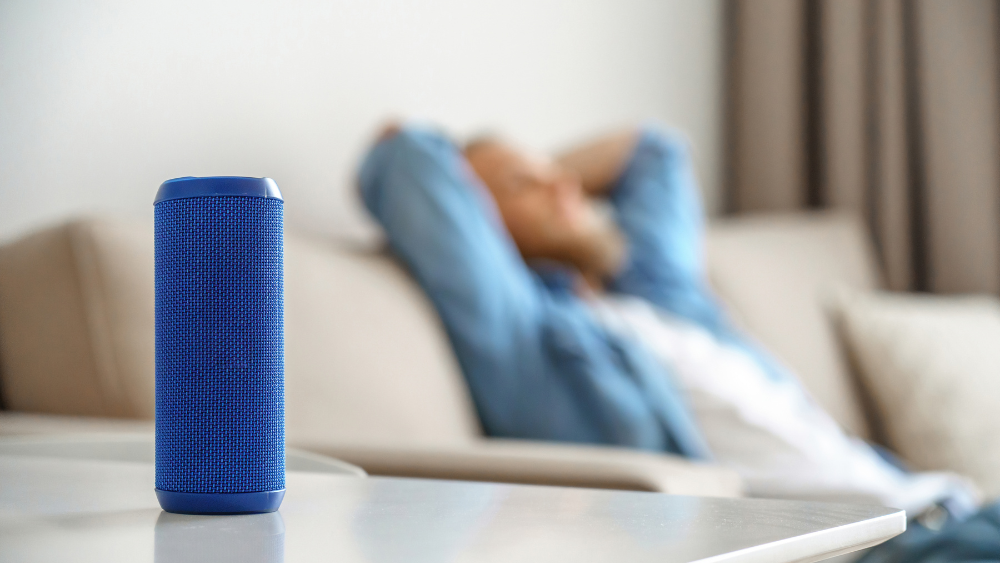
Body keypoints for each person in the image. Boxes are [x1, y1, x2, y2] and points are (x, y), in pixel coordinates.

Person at [358, 123, 999, 561]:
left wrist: (545, 182)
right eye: (522, 185)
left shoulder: (656, 293)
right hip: (878, 548)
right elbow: (410, 161)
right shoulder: (529, 333)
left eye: (561, 176)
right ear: (478, 223)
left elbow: (654, 150)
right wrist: (481, 190)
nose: (564, 187)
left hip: (947, 502)